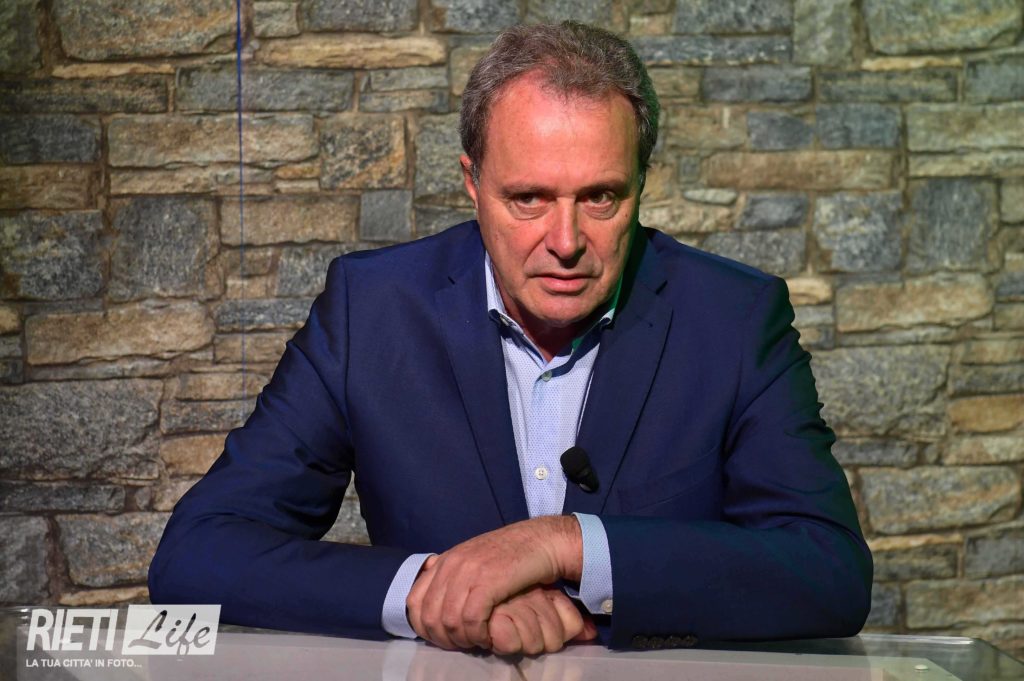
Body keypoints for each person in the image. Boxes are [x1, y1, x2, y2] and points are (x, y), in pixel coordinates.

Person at [149, 21, 872, 654]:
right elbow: (199, 552)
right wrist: (432, 592)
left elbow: (829, 572)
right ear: (472, 181)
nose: (566, 241)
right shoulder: (370, 312)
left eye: (601, 197)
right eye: (528, 198)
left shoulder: (735, 318)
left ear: (641, 183)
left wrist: (565, 545)